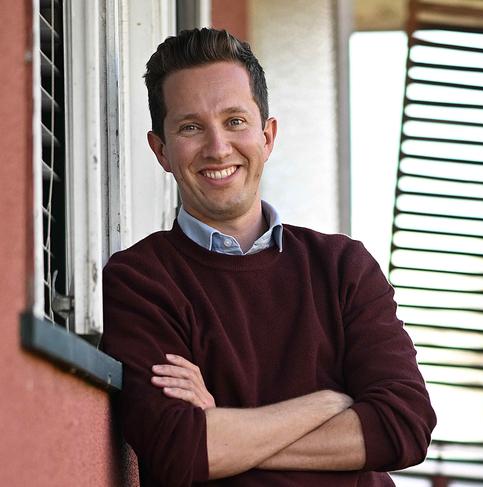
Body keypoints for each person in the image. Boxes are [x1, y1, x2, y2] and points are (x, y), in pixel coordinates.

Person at [101, 28, 435, 487]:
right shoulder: (141, 280)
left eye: (235, 121)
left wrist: (225, 429)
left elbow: (404, 427)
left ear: (268, 136)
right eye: (191, 127)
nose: (218, 148)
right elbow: (178, 452)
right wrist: (328, 403)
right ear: (161, 150)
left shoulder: (342, 268)